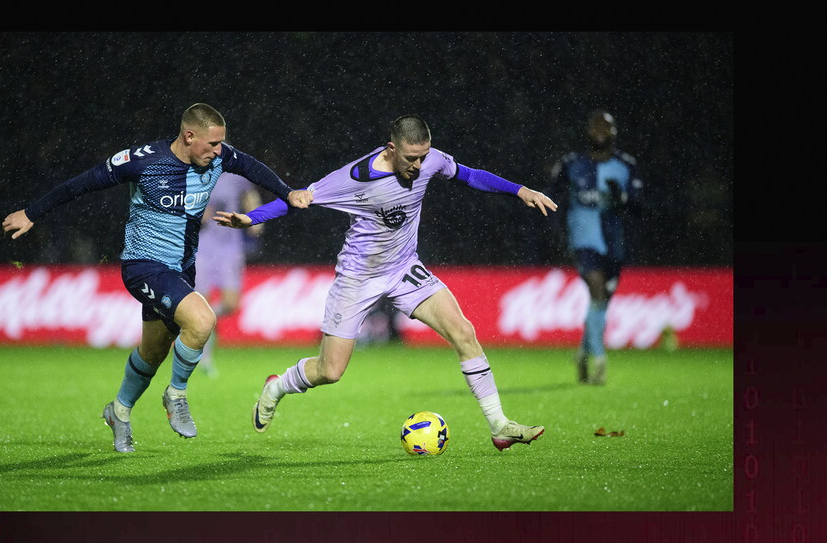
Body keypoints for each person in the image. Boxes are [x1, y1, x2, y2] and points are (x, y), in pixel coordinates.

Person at [215, 114, 557, 451]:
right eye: (411, 158)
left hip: (404, 269)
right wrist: (250, 218)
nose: (420, 165)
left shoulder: (430, 160)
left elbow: (469, 175)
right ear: (391, 149)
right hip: (357, 279)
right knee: (330, 371)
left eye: (424, 156)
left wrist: (520, 190)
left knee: (464, 332)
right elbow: (298, 198)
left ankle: (499, 425)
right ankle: (276, 388)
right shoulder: (355, 177)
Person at [2, 103, 312, 452]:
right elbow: (84, 183)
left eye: (221, 144)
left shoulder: (222, 156)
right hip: (143, 265)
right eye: (211, 144)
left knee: (153, 351)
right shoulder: (143, 160)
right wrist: (31, 212)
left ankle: (118, 411)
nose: (218, 151)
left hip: (181, 269)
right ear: (188, 135)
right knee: (201, 320)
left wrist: (287, 192)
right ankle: (176, 395)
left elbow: (255, 169)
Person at [549, 109, 643, 385]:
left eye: (607, 127)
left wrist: (622, 197)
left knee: (600, 303)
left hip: (614, 243)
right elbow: (550, 197)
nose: (601, 131)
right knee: (597, 291)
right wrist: (556, 232)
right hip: (582, 239)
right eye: (596, 127)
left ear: (614, 133)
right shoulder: (571, 163)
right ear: (588, 131)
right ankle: (600, 361)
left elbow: (640, 208)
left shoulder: (625, 165)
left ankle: (582, 353)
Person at [193, 172, 265, 378]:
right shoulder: (196, 174)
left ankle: (191, 327)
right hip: (203, 247)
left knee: (231, 304)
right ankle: (204, 359)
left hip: (230, 248)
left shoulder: (236, 176)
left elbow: (249, 196)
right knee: (202, 303)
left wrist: (256, 218)